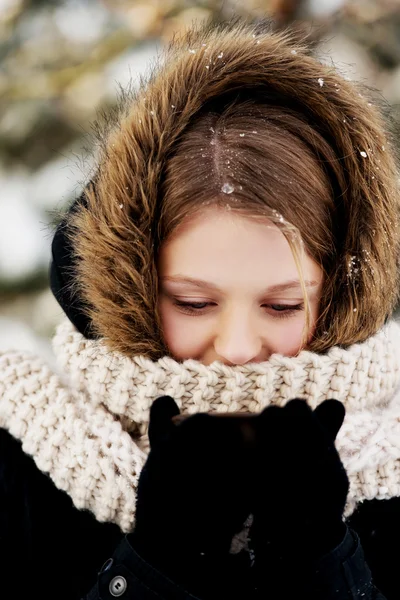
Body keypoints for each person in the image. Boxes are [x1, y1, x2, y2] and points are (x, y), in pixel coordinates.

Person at [1, 16, 400, 600]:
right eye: (193, 301)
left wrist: (326, 567)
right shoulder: (25, 462)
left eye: (284, 305)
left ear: (342, 294)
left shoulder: (392, 469)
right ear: (132, 287)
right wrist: (153, 568)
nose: (237, 348)